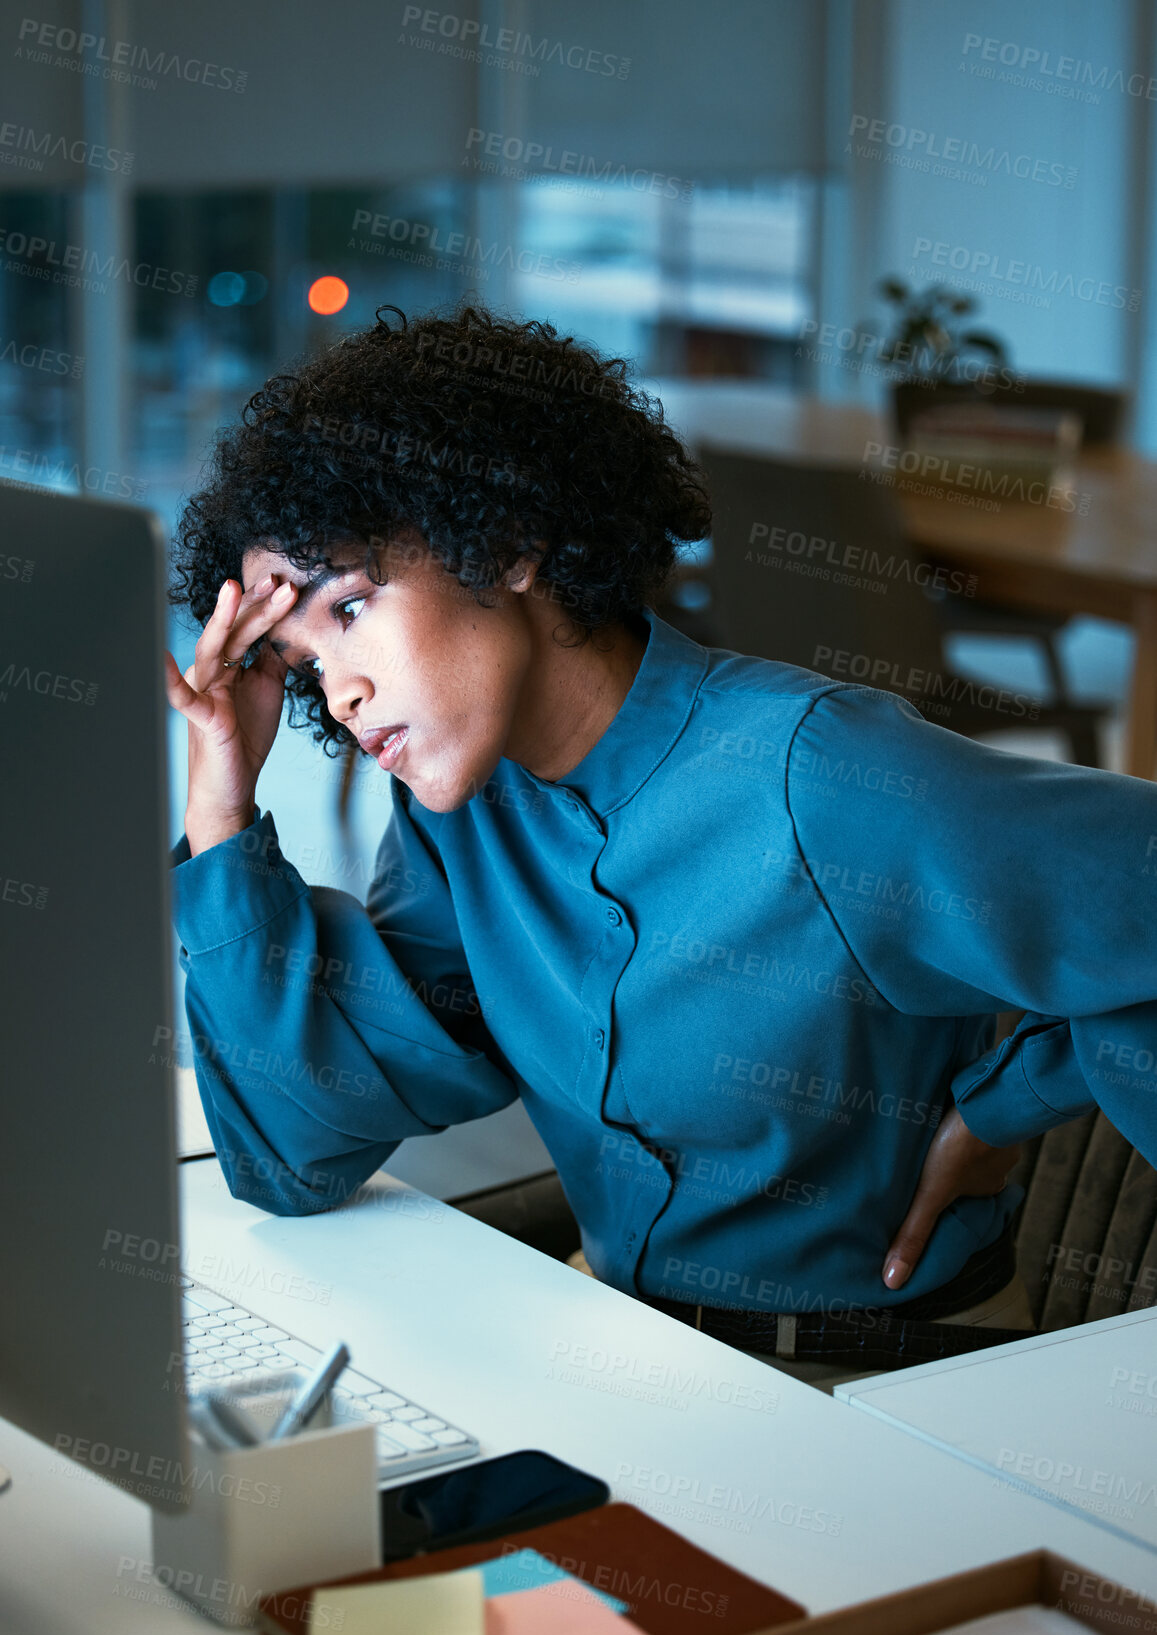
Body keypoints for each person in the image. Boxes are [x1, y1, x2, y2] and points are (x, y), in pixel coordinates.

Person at [164, 303, 1157, 1387]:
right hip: (633, 1367)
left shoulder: (817, 778)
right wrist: (222, 800)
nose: (339, 694)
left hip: (900, 1388)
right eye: (302, 664)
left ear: (502, 542)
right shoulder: (463, 816)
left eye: (349, 609)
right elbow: (291, 1144)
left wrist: (1008, 1100)